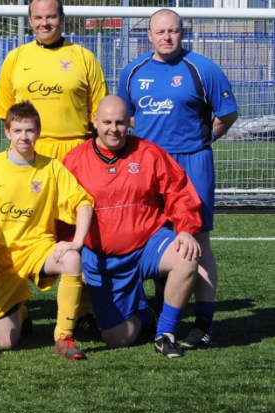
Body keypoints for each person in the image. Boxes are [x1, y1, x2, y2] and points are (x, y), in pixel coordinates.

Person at [118, 8, 238, 350]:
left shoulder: (203, 68)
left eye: (173, 31)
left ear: (182, 33)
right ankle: (159, 311)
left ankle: (203, 324)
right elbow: (125, 117)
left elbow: (227, 114)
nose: (166, 37)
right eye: (160, 32)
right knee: (152, 237)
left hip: (191, 164)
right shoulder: (133, 71)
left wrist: (201, 141)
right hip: (148, 167)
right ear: (149, 36)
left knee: (197, 241)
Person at [62, 96, 202, 358]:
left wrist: (185, 229)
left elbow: (179, 191)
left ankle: (165, 334)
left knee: (186, 257)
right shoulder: (75, 160)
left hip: (148, 243)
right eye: (107, 122)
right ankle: (146, 313)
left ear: (129, 123)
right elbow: (61, 212)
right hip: (102, 258)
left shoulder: (149, 153)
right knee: (118, 338)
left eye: (120, 123)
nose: (113, 129)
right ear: (94, 121)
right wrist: (74, 252)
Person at [0, 102, 94, 359]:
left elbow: (83, 203)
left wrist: (77, 242)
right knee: (7, 341)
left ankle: (64, 337)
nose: (24, 137)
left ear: (39, 132)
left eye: (29, 130)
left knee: (72, 259)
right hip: (3, 258)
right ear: (7, 132)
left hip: (38, 250)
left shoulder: (52, 168)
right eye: (17, 130)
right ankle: (21, 310)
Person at [0, 0, 107, 160]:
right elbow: (6, 113)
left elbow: (100, 112)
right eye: (38, 17)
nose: (44, 23)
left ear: (62, 18)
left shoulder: (84, 57)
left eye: (51, 17)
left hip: (74, 150)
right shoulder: (14, 58)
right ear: (30, 20)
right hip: (28, 149)